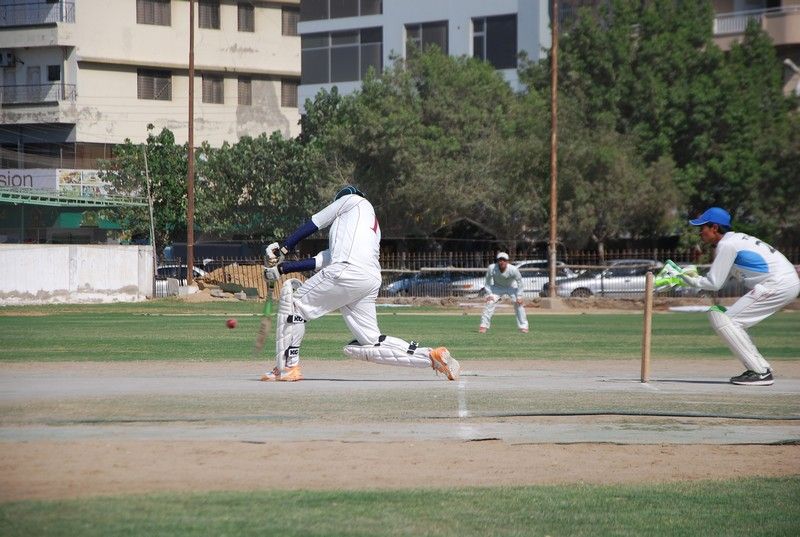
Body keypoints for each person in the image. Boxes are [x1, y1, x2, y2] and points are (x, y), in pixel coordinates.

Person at [260, 185, 460, 382]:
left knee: (294, 307)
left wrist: (283, 248)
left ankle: (287, 367)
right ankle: (431, 356)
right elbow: (323, 260)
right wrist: (282, 268)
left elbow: (315, 222)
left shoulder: (350, 200)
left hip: (347, 271)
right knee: (372, 340)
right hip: (368, 280)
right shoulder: (367, 225)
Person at [677, 207, 799, 386]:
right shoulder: (733, 241)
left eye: (702, 227)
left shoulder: (727, 245)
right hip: (784, 282)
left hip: (778, 284)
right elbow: (720, 280)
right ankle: (759, 368)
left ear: (714, 228)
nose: (700, 232)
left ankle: (760, 372)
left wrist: (685, 279)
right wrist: (695, 279)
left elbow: (714, 283)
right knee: (721, 315)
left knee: (727, 320)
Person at [478, 252, 529, 334]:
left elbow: (520, 283)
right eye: (500, 260)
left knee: (519, 304)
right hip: (497, 288)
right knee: (490, 302)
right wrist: (489, 294)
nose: (502, 262)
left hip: (511, 287)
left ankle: (523, 327)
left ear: (507, 261)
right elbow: (487, 282)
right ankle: (483, 326)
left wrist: (519, 296)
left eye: (504, 260)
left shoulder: (513, 269)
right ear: (497, 261)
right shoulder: (491, 268)